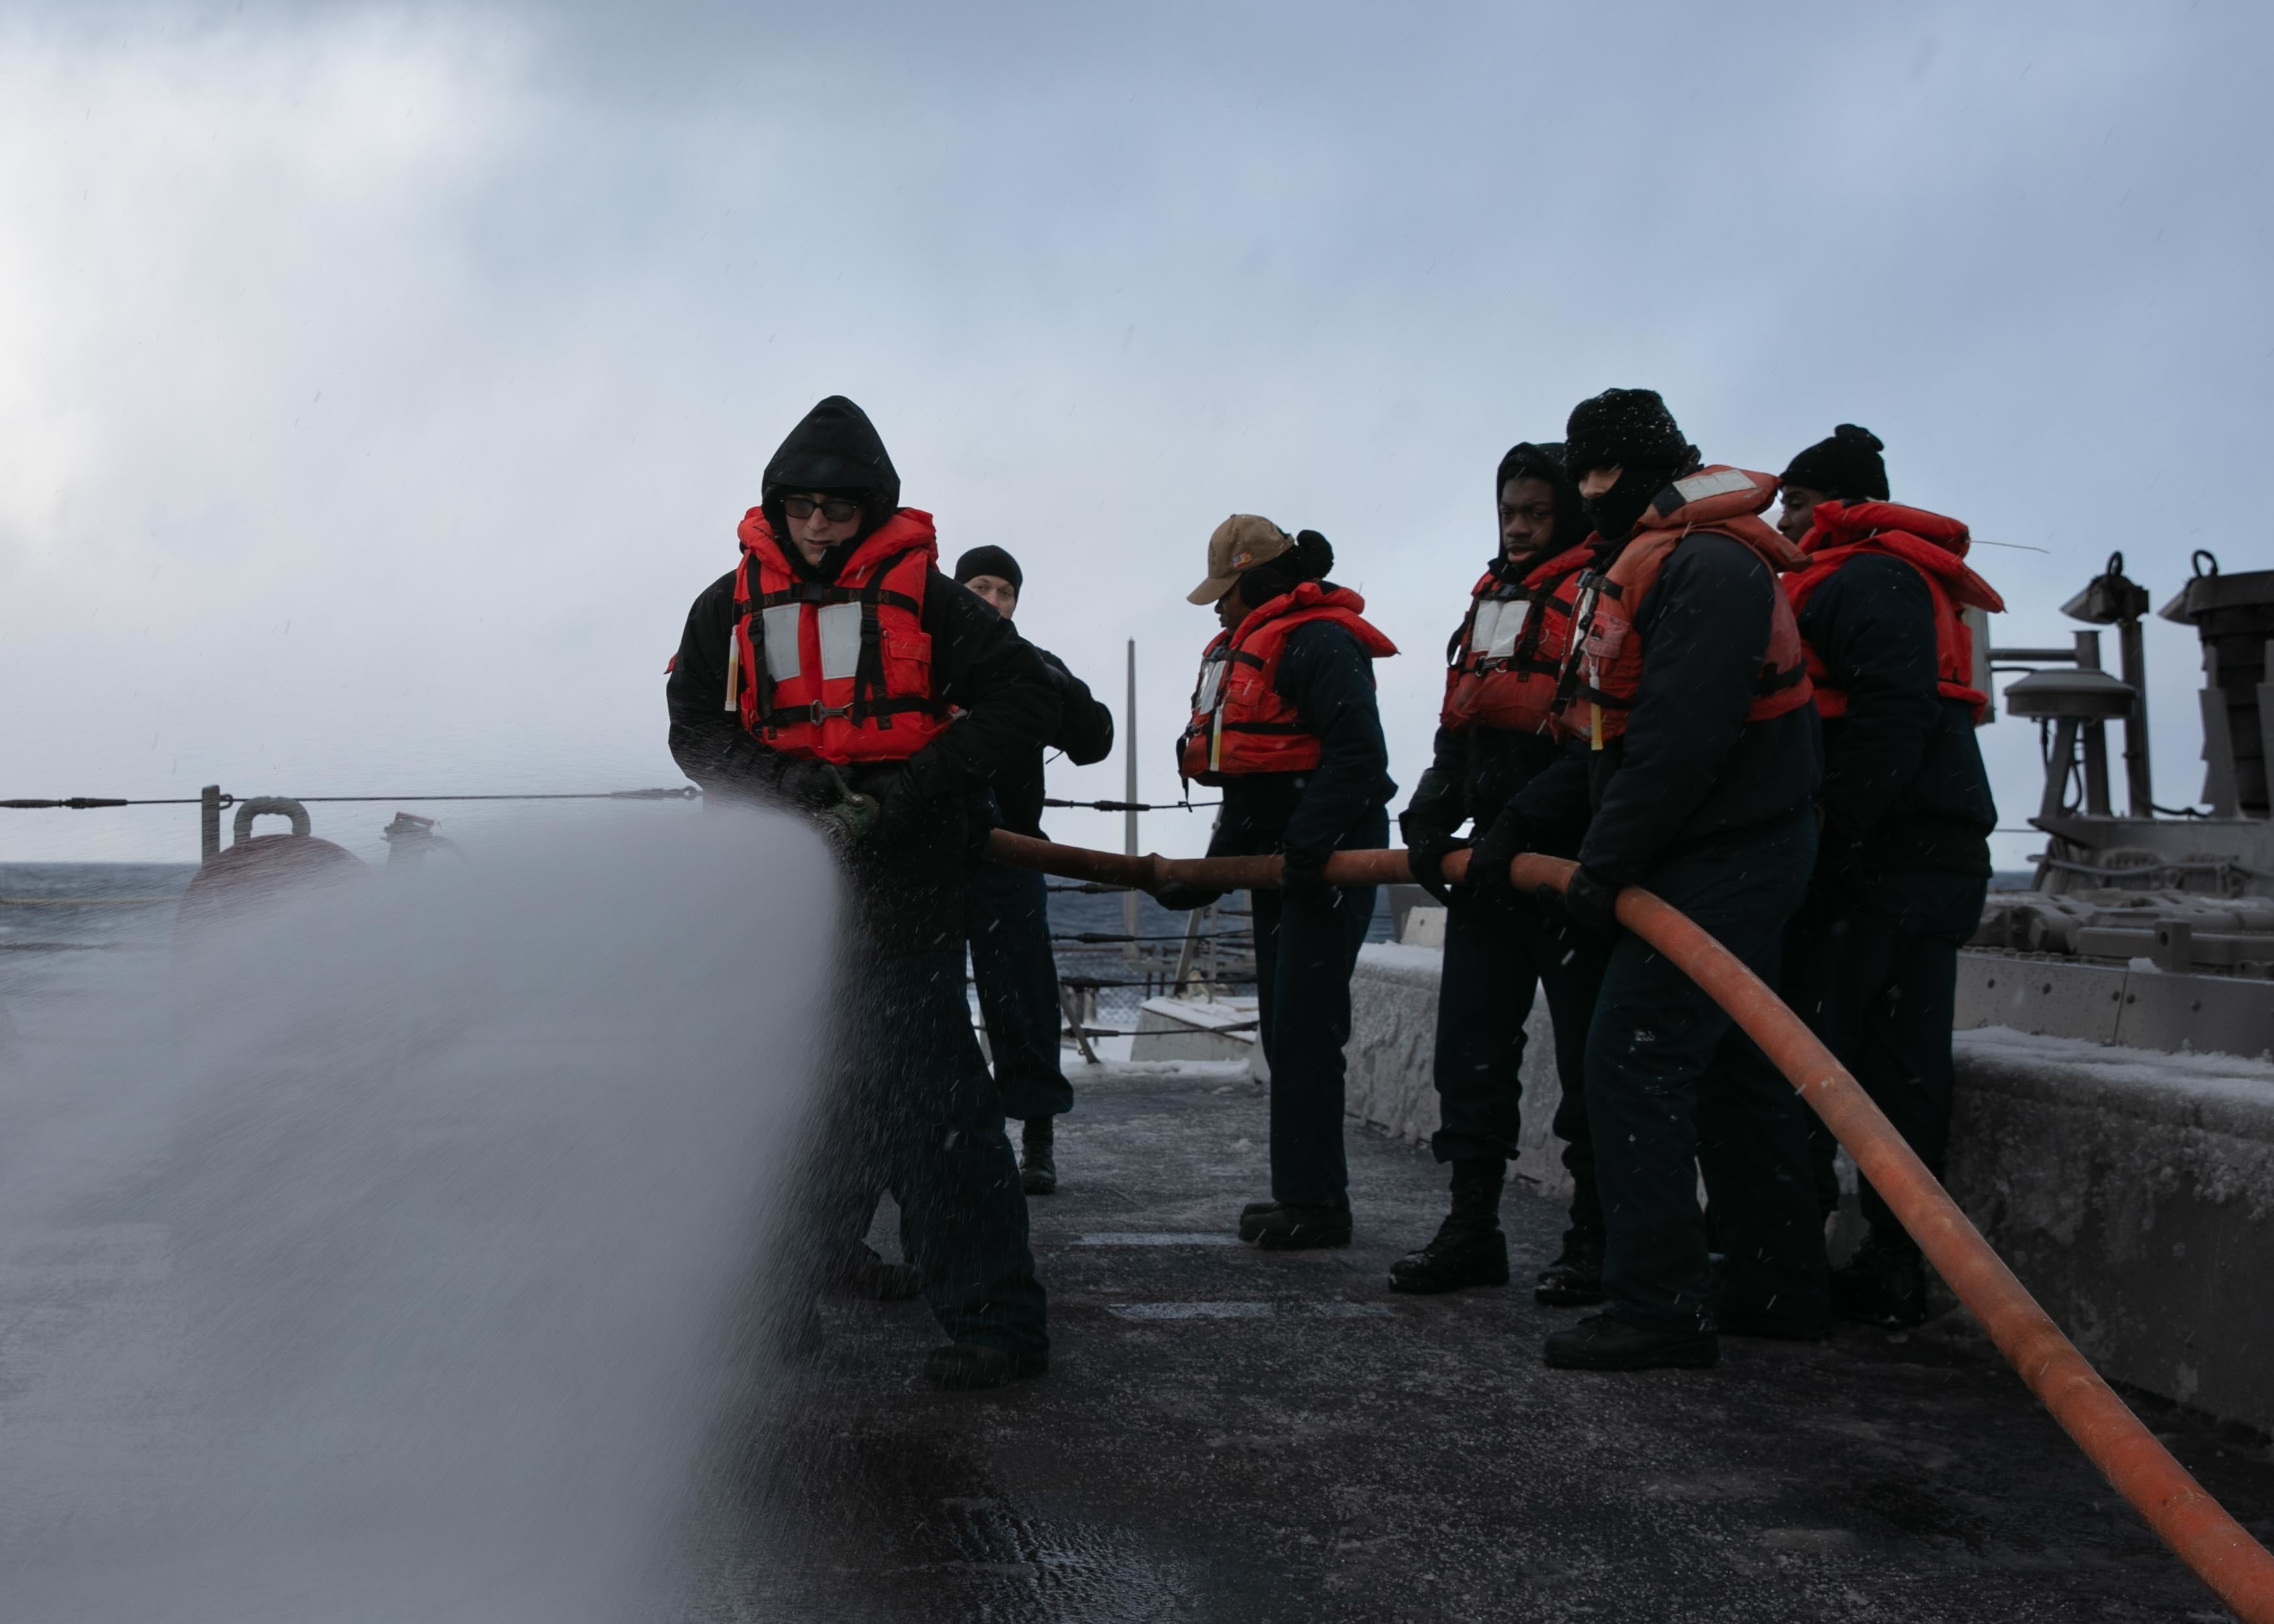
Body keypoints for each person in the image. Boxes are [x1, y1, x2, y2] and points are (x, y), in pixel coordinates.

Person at [664, 395, 1053, 1391]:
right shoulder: (728, 606)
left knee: (932, 1101)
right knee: (794, 1094)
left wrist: (906, 793)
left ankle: (995, 1327)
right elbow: (694, 732)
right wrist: (786, 783)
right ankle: (772, 1311)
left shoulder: (930, 602)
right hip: (786, 887)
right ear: (777, 508)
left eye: (840, 509)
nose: (821, 528)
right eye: (802, 509)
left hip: (909, 877)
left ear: (873, 507)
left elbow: (1035, 705)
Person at [1498, 388, 1829, 1371]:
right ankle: (1776, 1285)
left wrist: (1604, 867)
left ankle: (1658, 1305)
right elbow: (1608, 739)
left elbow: (1682, 740)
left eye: (1594, 474)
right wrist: (1521, 821)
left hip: (1732, 850)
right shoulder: (1654, 563)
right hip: (1699, 846)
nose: (1585, 494)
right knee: (1730, 1067)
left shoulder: (1710, 567)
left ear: (1633, 473)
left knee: (1632, 1058)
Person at [1776, 425, 2002, 1327]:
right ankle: (1893, 1259)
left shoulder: (1863, 578)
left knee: (1811, 1062)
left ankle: (1791, 1258)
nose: (1781, 522)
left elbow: (1888, 715)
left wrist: (1833, 838)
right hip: (1936, 856)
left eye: (1792, 503)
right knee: (1901, 1072)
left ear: (1830, 507)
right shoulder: (1903, 579)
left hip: (1880, 865)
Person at [1390, 443, 1610, 1303]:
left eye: (1534, 513)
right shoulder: (1492, 603)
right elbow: (1462, 725)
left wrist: (1522, 822)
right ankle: (1470, 1227)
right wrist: (1430, 809)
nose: (1517, 527)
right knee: (1470, 1049)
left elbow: (1600, 743)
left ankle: (1596, 1237)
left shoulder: (1599, 594)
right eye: (1508, 512)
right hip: (1489, 864)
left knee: (1593, 1058)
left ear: (1567, 514)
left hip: (1569, 862)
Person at [1161, 518, 1397, 1249]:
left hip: (1331, 857)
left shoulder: (1321, 642)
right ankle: (1300, 1192)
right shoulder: (1259, 644)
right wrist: (1207, 872)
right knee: (1283, 1026)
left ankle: (1320, 1205)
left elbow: (1358, 755)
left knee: (1304, 1028)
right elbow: (1255, 788)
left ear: (1257, 580)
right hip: (1284, 855)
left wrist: (1306, 847)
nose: (1219, 611)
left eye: (1226, 594)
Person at [950, 544, 1117, 1195]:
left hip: (1012, 855)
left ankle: (1038, 1137)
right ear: (955, 590)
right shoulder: (922, 660)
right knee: (930, 1004)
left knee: (1023, 1000)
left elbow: (1095, 740)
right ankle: (949, 1132)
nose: (992, 600)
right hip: (929, 857)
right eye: (980, 586)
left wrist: (1057, 685)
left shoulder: (1033, 666)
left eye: (1005, 592)